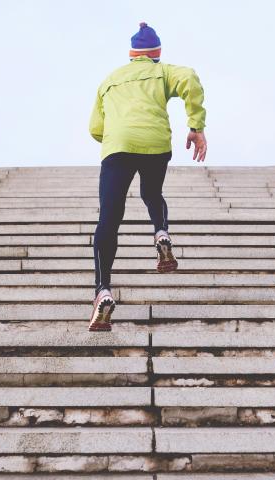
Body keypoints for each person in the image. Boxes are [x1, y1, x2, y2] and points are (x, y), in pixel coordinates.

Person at [88, 22, 207, 331]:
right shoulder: (163, 71)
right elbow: (190, 78)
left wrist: (118, 135)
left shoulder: (109, 80)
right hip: (155, 142)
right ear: (156, 54)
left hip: (118, 147)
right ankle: (161, 233)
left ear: (131, 54)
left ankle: (102, 289)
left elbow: (95, 128)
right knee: (152, 194)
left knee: (109, 217)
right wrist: (196, 125)